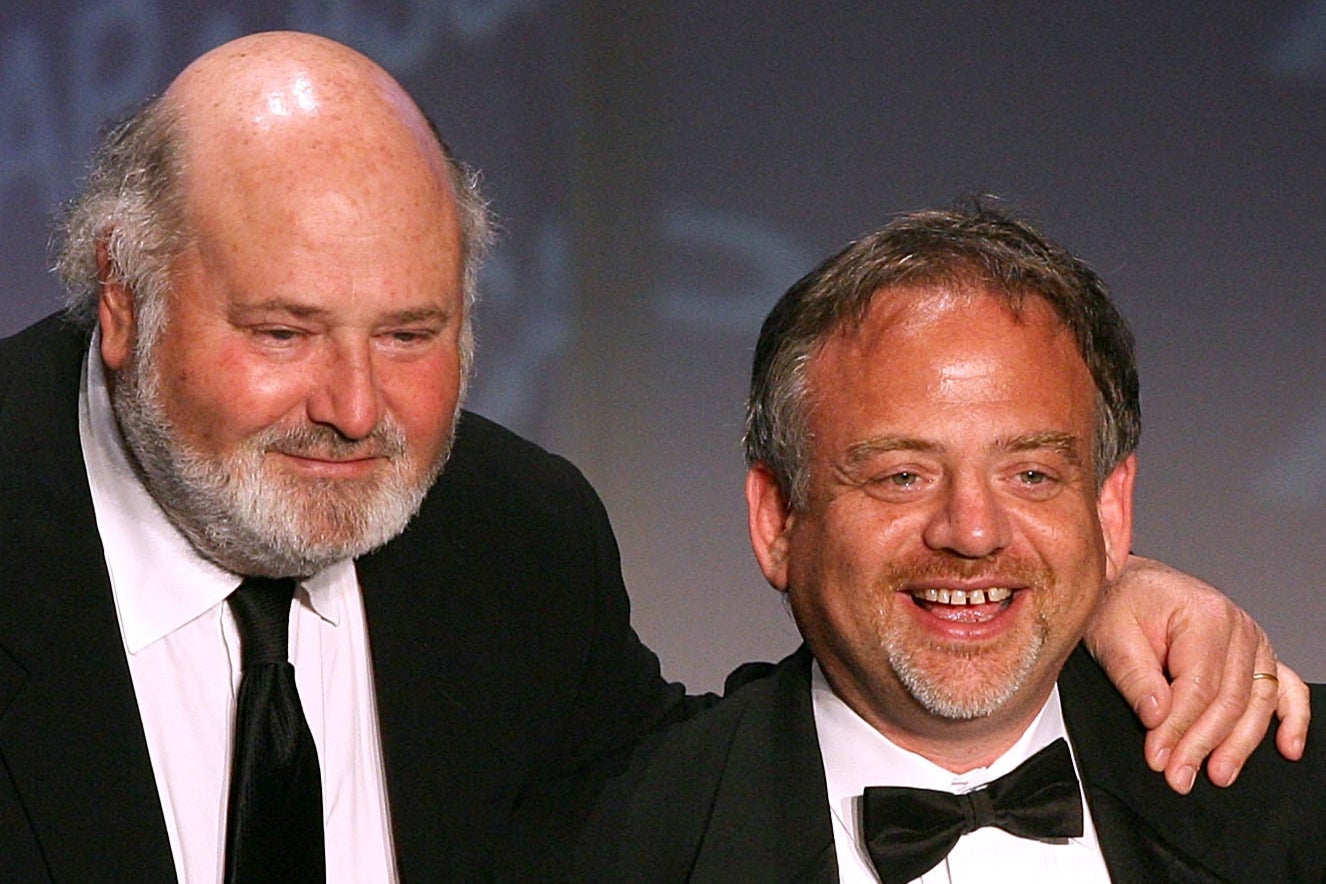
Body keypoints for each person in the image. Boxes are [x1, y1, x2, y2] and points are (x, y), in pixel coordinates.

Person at [0, 31, 1306, 882]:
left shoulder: (510, 534)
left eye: (411, 332)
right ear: (124, 300)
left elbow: (707, 779)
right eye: (284, 330)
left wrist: (1084, 596)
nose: (356, 407)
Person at [578, 206, 1326, 882]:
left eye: (1031, 474)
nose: (973, 532)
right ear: (777, 519)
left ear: (1110, 512)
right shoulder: (619, 839)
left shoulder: (1294, 798)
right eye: (902, 475)